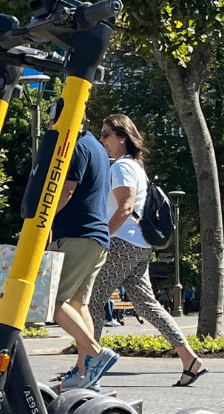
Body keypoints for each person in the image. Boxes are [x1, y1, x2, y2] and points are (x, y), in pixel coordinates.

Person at [88, 114, 206, 387]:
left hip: (122, 243)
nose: (102, 139)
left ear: (122, 138)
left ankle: (89, 365)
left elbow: (125, 207)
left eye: (106, 134)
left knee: (93, 300)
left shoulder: (121, 168)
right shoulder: (134, 167)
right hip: (140, 246)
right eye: (101, 133)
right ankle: (189, 358)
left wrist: (100, 236)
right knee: (147, 305)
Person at [46, 113, 118, 391]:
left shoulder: (74, 146)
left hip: (77, 234)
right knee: (78, 305)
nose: (51, 129)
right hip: (97, 238)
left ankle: (96, 354)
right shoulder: (97, 147)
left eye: (53, 124)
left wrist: (43, 221)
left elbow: (67, 190)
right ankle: (87, 374)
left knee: (55, 302)